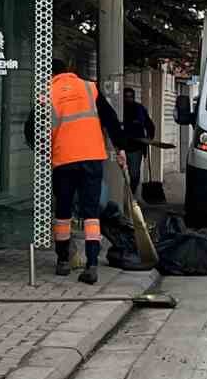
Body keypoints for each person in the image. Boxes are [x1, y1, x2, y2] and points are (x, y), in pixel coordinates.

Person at [25, 61, 129, 284]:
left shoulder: (47, 93)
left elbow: (31, 128)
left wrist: (42, 151)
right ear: (69, 71)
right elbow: (110, 119)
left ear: (49, 75)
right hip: (92, 158)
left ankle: (63, 261)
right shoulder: (88, 88)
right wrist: (120, 149)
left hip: (64, 160)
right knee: (91, 213)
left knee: (63, 212)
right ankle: (92, 264)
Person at [120, 85, 157, 196]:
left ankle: (131, 195)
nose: (128, 99)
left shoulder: (139, 109)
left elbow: (150, 125)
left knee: (134, 174)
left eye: (130, 97)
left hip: (135, 147)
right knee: (119, 175)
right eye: (126, 97)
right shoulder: (118, 109)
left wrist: (149, 138)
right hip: (119, 146)